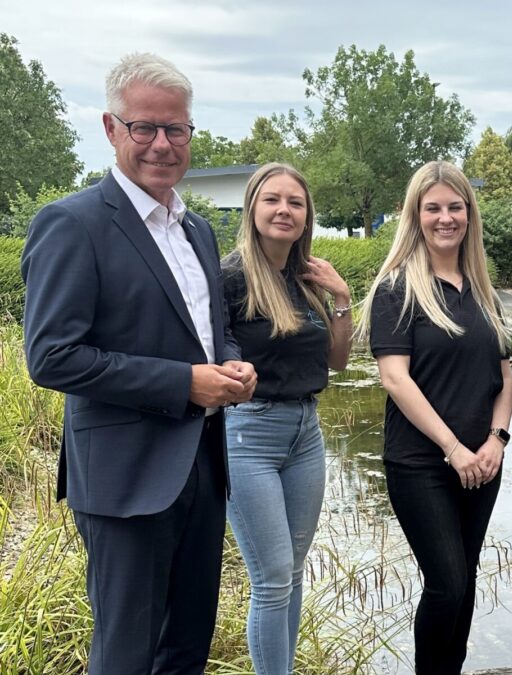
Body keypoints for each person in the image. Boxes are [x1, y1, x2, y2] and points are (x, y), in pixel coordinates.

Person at [20, 53, 257, 674]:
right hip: (125, 482)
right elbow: (51, 357)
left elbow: (214, 334)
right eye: (143, 127)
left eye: (174, 129)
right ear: (110, 128)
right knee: (125, 657)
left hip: (202, 470)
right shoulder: (72, 224)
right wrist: (186, 384)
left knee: (186, 650)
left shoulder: (198, 231)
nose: (160, 143)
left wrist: (231, 366)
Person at [356, 160, 512, 675]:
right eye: (433, 208)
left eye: (455, 206)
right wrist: (453, 448)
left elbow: (505, 378)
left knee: (465, 579)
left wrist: (496, 440)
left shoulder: (483, 289)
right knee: (446, 583)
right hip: (422, 464)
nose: (446, 218)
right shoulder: (397, 288)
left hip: (482, 463)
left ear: (469, 212)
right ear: (415, 216)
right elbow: (395, 379)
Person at [220, 162, 352, 674]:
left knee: (293, 574)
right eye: (272, 200)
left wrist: (340, 297)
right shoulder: (230, 277)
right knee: (272, 577)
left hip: (306, 433)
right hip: (248, 433)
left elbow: (336, 362)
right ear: (252, 208)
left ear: (306, 216)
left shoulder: (305, 278)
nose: (284, 210)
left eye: (295, 203)